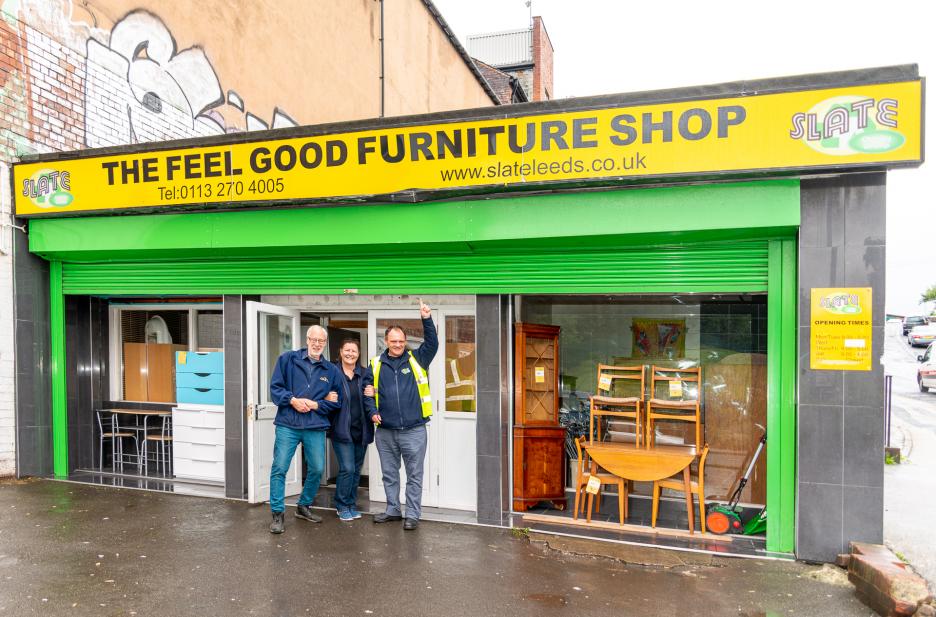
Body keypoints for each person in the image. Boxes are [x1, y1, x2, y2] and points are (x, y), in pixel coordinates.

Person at [363, 301, 438, 530]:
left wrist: (426, 319)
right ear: (386, 341)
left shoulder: (417, 359)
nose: (397, 345)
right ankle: (393, 510)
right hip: (385, 432)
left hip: (414, 430)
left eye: (401, 341)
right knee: (389, 474)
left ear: (405, 342)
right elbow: (367, 393)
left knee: (414, 475)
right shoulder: (375, 364)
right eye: (393, 341)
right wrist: (372, 412)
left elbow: (433, 344)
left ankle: (412, 514)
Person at [268, 325, 343, 534]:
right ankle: (277, 514)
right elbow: (275, 389)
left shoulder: (331, 371)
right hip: (288, 424)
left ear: (325, 344)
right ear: (307, 339)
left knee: (317, 468)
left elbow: (338, 401)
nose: (317, 344)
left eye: (321, 341)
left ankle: (303, 505)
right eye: (313, 340)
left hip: (315, 425)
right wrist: (292, 400)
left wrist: (317, 404)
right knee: (280, 468)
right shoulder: (287, 359)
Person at [329, 338, 374, 522]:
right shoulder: (333, 372)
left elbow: (371, 395)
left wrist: (375, 391)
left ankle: (350, 504)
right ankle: (341, 505)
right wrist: (325, 395)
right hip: (341, 429)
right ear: (340, 352)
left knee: (356, 469)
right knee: (347, 468)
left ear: (358, 353)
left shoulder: (364, 373)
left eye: (354, 351)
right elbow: (320, 390)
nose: (350, 353)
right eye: (347, 350)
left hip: (361, 429)